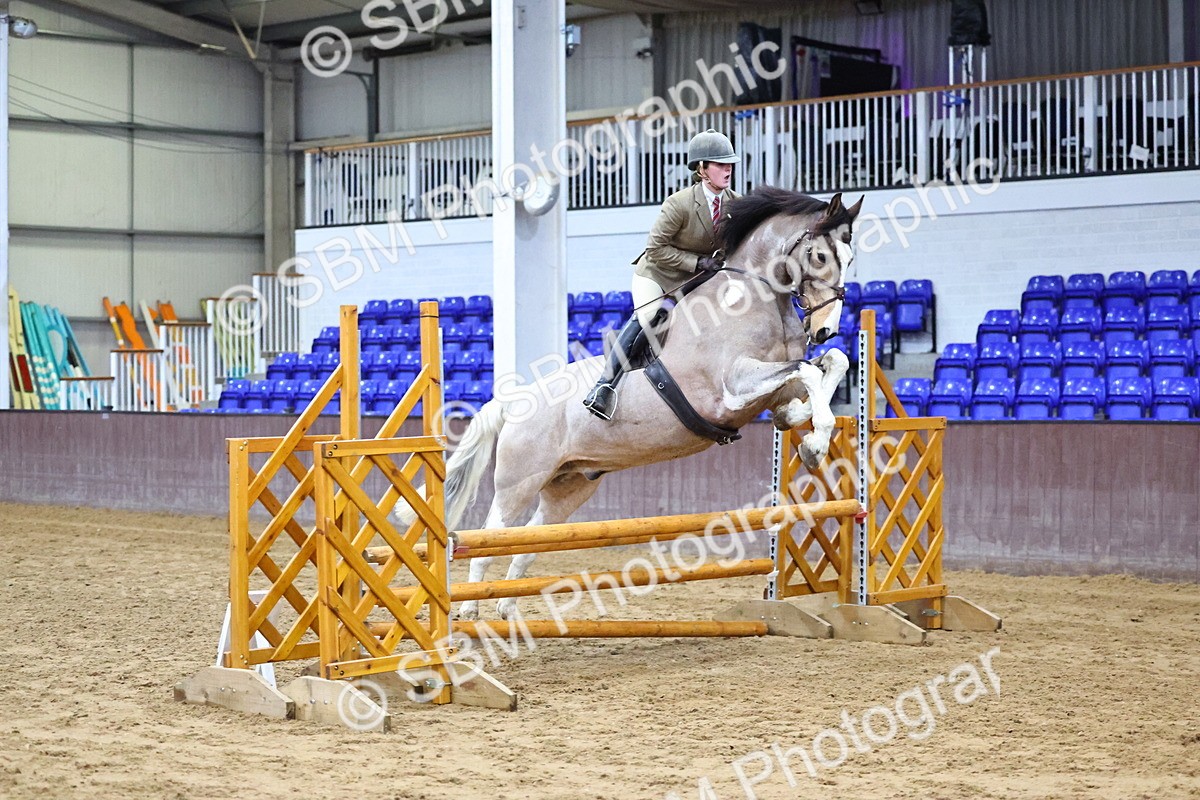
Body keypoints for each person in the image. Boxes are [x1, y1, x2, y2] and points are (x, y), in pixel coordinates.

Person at [582, 128, 741, 420]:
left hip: (695, 281)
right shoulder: (679, 203)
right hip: (657, 276)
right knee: (651, 317)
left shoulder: (736, 204)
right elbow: (655, 249)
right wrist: (697, 262)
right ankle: (604, 387)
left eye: (730, 163)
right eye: (720, 163)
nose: (728, 168)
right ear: (702, 169)